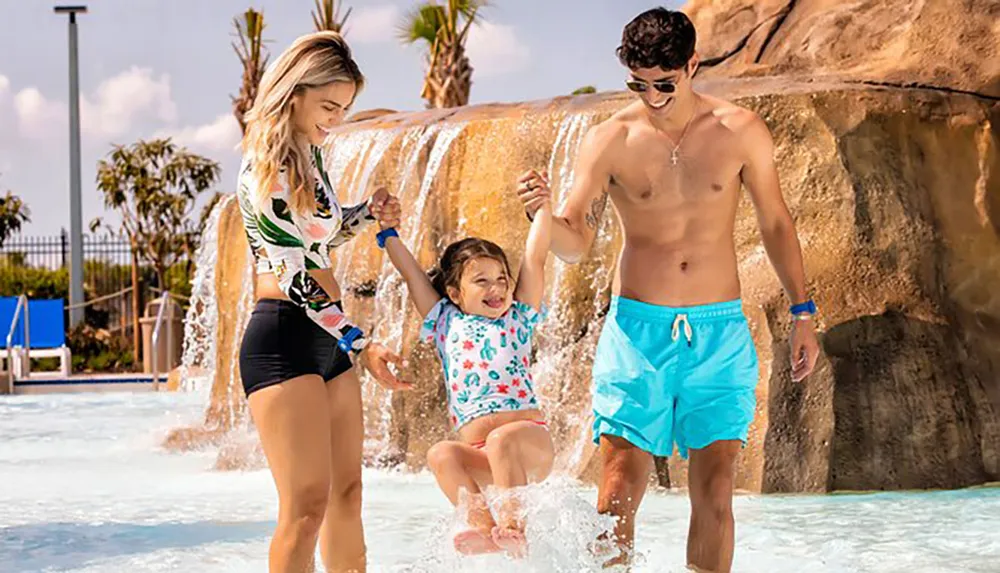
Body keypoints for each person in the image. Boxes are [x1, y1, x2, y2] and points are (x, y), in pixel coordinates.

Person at [515, 8, 821, 572]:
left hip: (718, 333)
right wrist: (545, 215)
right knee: (615, 491)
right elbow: (575, 240)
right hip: (637, 332)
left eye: (664, 82)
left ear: (693, 64)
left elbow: (777, 223)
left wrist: (804, 312)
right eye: (638, 83)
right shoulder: (610, 139)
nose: (652, 95)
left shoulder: (741, 129)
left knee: (717, 492)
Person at [236, 31, 411, 573]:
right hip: (284, 339)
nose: (336, 119)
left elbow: (318, 242)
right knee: (305, 507)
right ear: (294, 96)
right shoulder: (266, 170)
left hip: (327, 338)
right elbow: (291, 274)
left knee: (348, 495)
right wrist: (360, 341)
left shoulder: (311, 156)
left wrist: (363, 214)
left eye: (344, 108)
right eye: (328, 106)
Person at [379, 198, 556, 558]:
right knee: (441, 453)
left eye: (501, 279)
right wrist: (386, 232)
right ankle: (486, 530)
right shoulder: (445, 323)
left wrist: (542, 212)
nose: (497, 289)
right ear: (455, 294)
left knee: (502, 438)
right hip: (483, 455)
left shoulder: (518, 317)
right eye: (482, 281)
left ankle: (513, 528)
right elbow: (412, 273)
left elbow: (535, 257)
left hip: (527, 444)